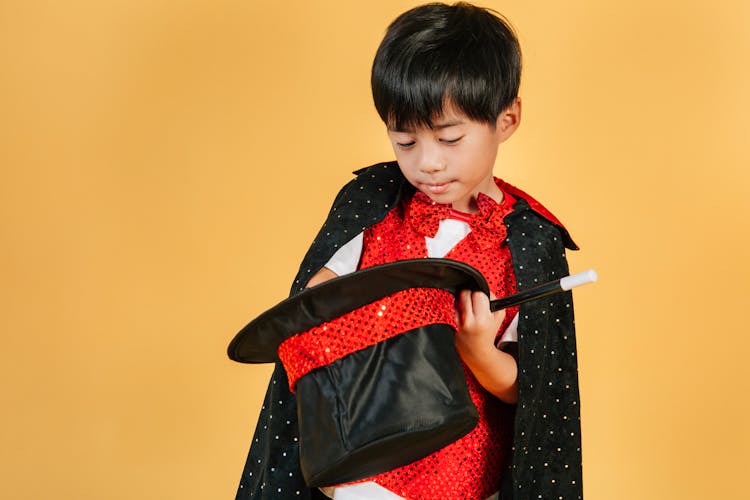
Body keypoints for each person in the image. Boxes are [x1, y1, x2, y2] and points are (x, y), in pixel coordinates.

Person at [235, 3, 584, 499]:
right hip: (364, 470)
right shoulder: (372, 203)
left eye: (450, 138)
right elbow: (315, 300)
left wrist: (480, 350)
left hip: (465, 478)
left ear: (507, 120)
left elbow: (533, 392)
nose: (428, 164)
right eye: (405, 142)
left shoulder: (530, 239)